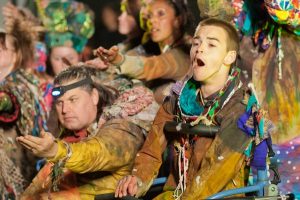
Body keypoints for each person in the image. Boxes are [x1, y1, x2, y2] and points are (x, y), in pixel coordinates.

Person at [115, 18, 275, 199]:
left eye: (211, 45)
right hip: (176, 194)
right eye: (196, 43)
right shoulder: (178, 98)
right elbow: (151, 150)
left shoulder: (241, 111)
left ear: (229, 57)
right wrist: (137, 178)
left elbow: (212, 178)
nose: (199, 49)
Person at [17, 66, 159, 199]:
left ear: (94, 97)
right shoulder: (71, 136)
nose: (65, 109)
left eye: (73, 99)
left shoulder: (123, 127)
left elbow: (97, 152)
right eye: (60, 103)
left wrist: (57, 151)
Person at [0, 3, 53, 198]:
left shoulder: (19, 85)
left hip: (17, 176)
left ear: (15, 56)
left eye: (1, 46)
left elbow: (8, 101)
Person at [95, 0, 191, 104]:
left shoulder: (185, 53)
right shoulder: (153, 46)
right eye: (150, 16)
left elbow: (153, 66)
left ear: (178, 20)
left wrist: (119, 60)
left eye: (160, 14)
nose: (152, 20)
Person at [35, 0, 95, 76]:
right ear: (49, 59)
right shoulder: (41, 87)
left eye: (70, 58)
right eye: (57, 59)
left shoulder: (92, 86)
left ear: (80, 58)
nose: (64, 65)